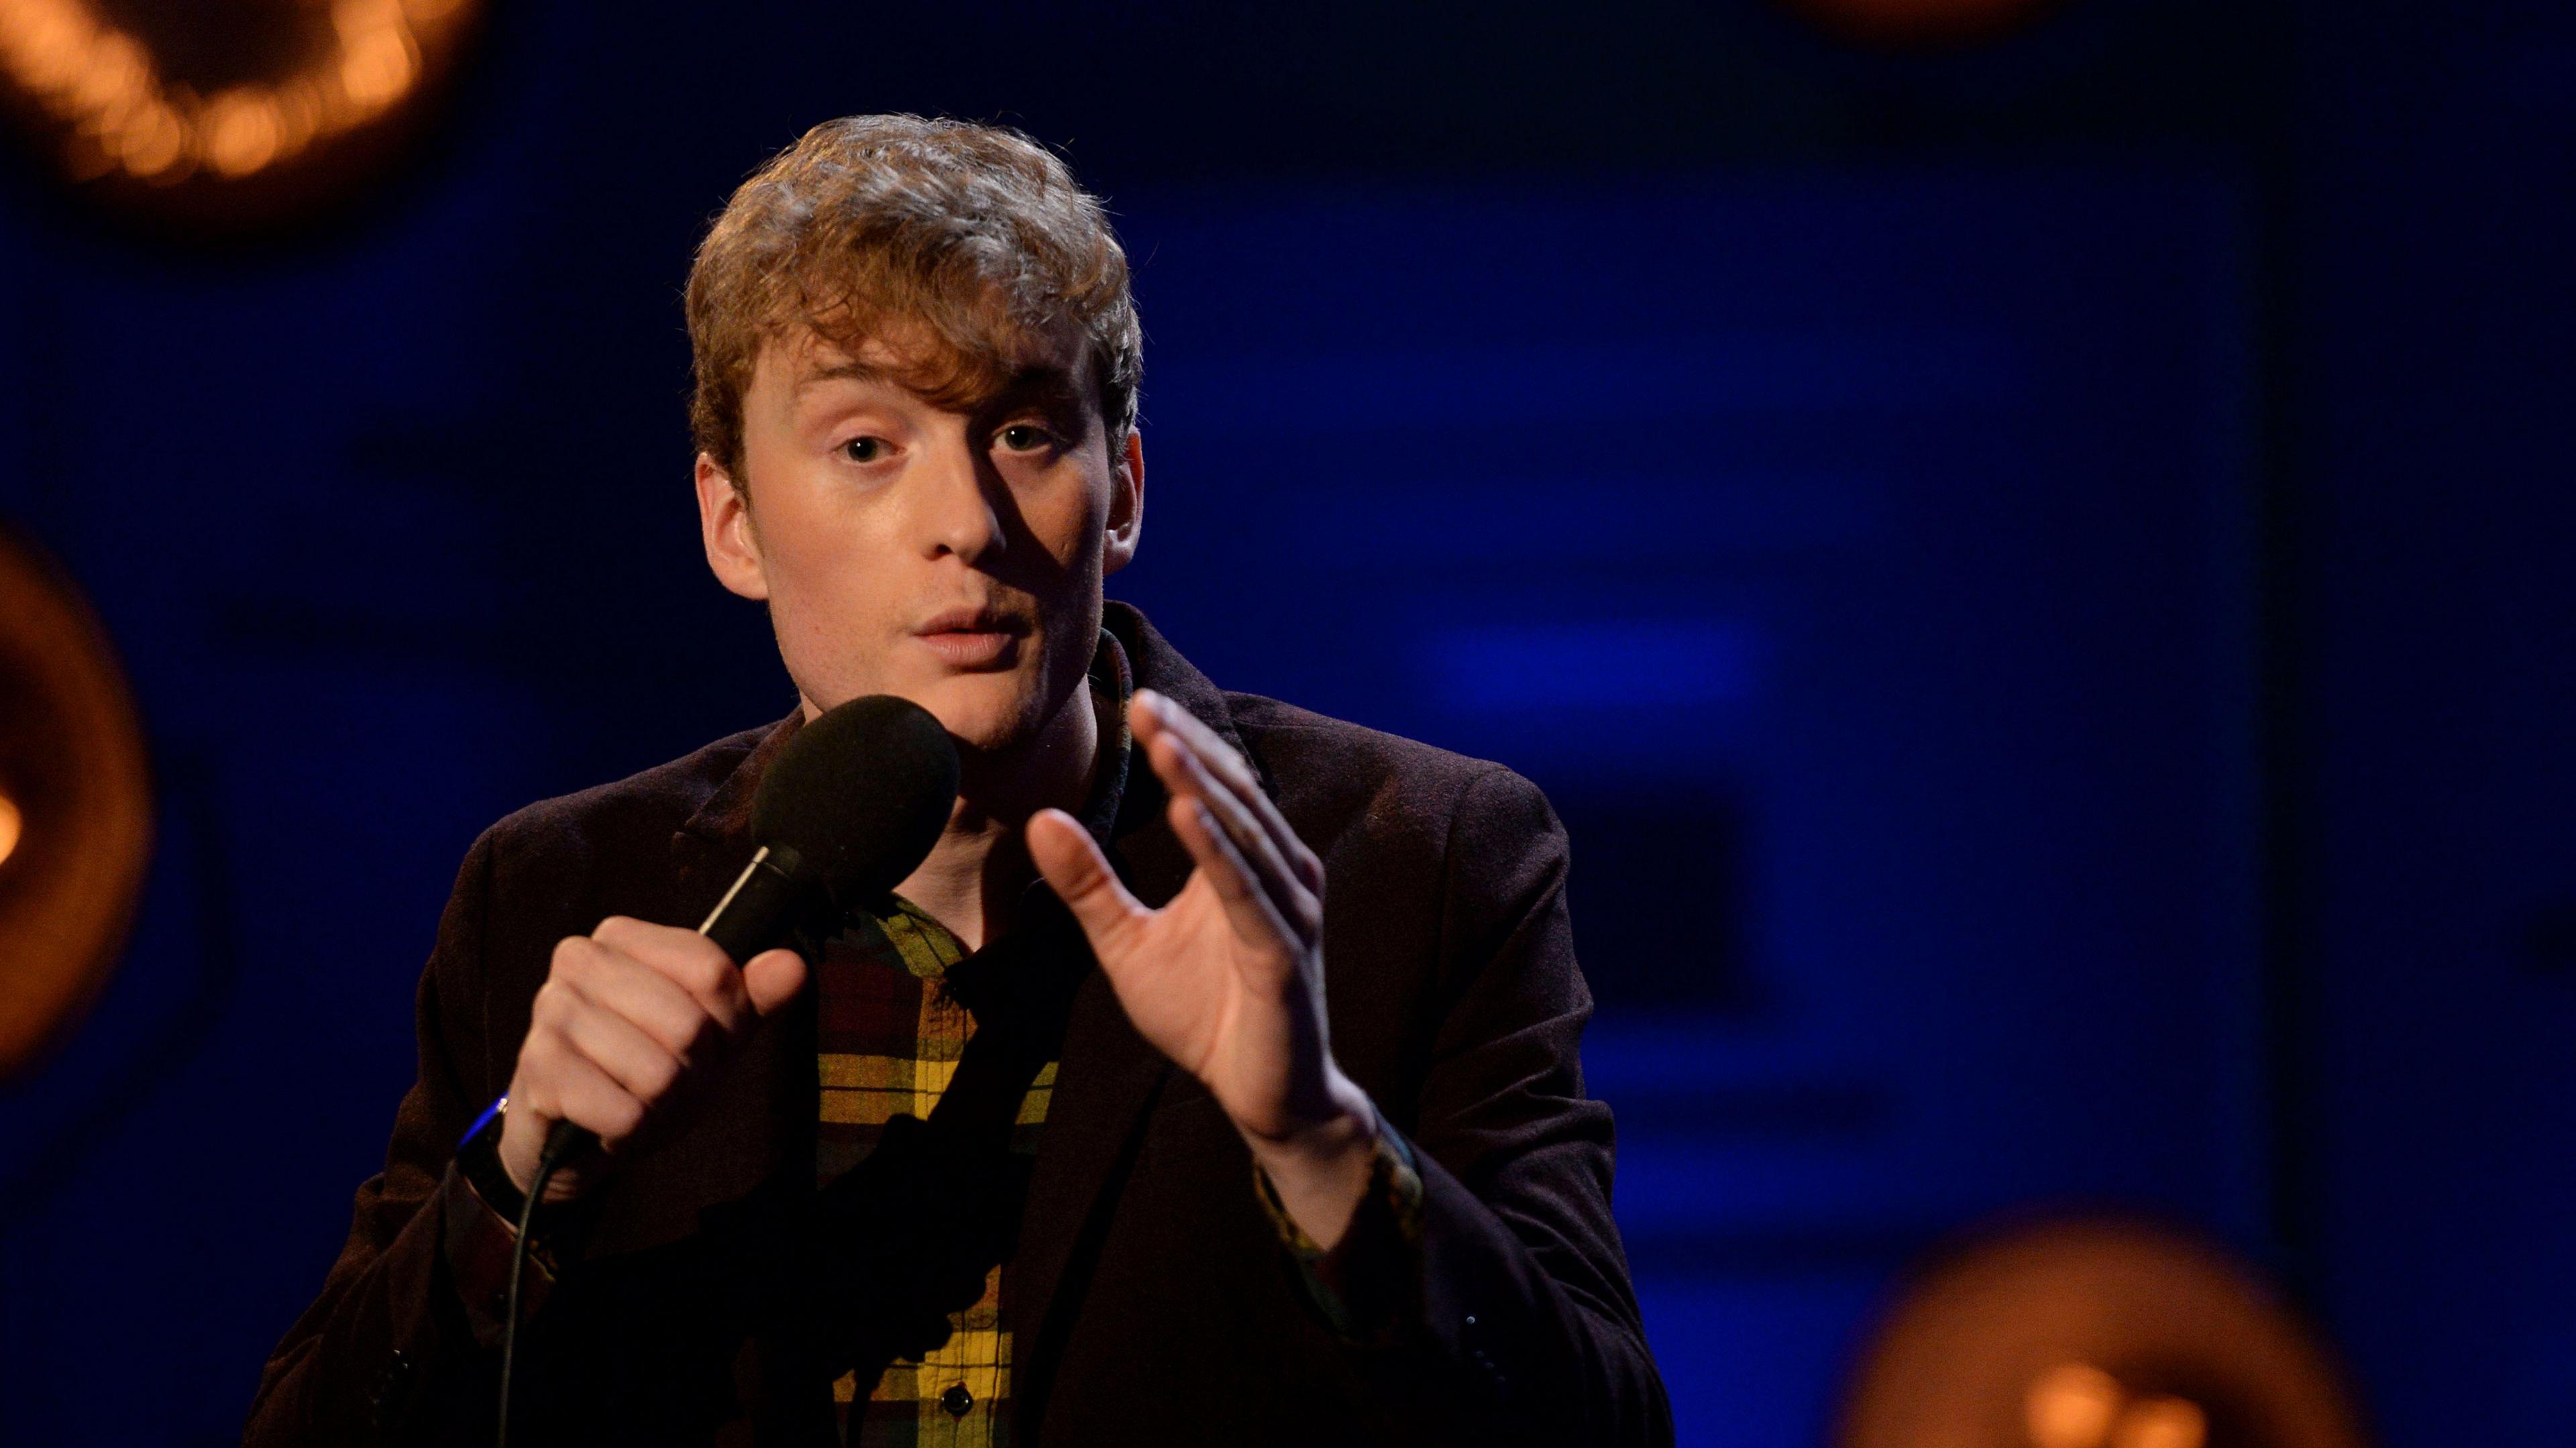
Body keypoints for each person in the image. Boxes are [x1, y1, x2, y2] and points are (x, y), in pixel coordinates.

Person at [245, 113, 1670, 1447]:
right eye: (868, 447)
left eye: (1024, 435)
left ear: (1122, 494)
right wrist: (516, 1184)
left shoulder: (1417, 859)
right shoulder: (562, 889)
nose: (966, 525)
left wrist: (1319, 1142)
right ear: (733, 524)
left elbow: (1602, 1422)